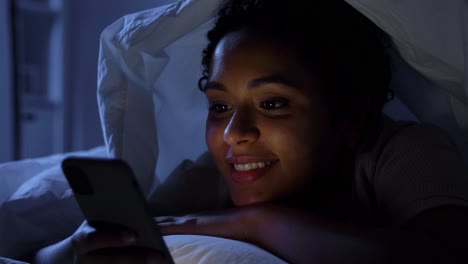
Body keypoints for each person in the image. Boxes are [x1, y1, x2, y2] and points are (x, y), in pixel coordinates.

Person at [34, 0, 468, 263]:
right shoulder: (213, 173)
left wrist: (260, 224)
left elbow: (445, 255)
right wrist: (78, 249)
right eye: (220, 106)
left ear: (350, 120)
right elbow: (44, 255)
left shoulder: (403, 151)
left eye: (272, 103)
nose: (233, 134)